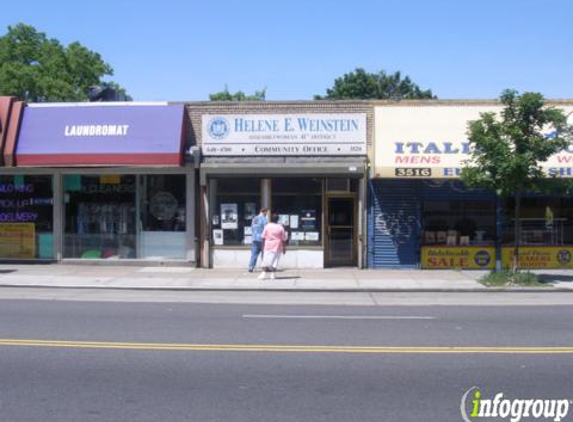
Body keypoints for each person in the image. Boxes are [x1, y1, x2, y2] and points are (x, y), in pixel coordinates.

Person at [258, 213, 287, 280]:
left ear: (271, 219)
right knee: (275, 260)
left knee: (266, 260)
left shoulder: (267, 226)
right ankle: (273, 275)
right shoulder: (280, 227)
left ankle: (263, 274)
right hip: (277, 245)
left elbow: (263, 237)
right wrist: (284, 248)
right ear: (277, 219)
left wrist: (262, 246)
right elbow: (283, 239)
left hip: (268, 245)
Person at [248, 207, 268, 272]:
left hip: (254, 238)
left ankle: (251, 267)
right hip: (262, 239)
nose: (266, 213)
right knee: (264, 254)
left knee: (254, 254)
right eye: (266, 212)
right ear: (264, 212)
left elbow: (252, 228)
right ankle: (264, 267)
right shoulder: (264, 219)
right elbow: (266, 229)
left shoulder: (254, 218)